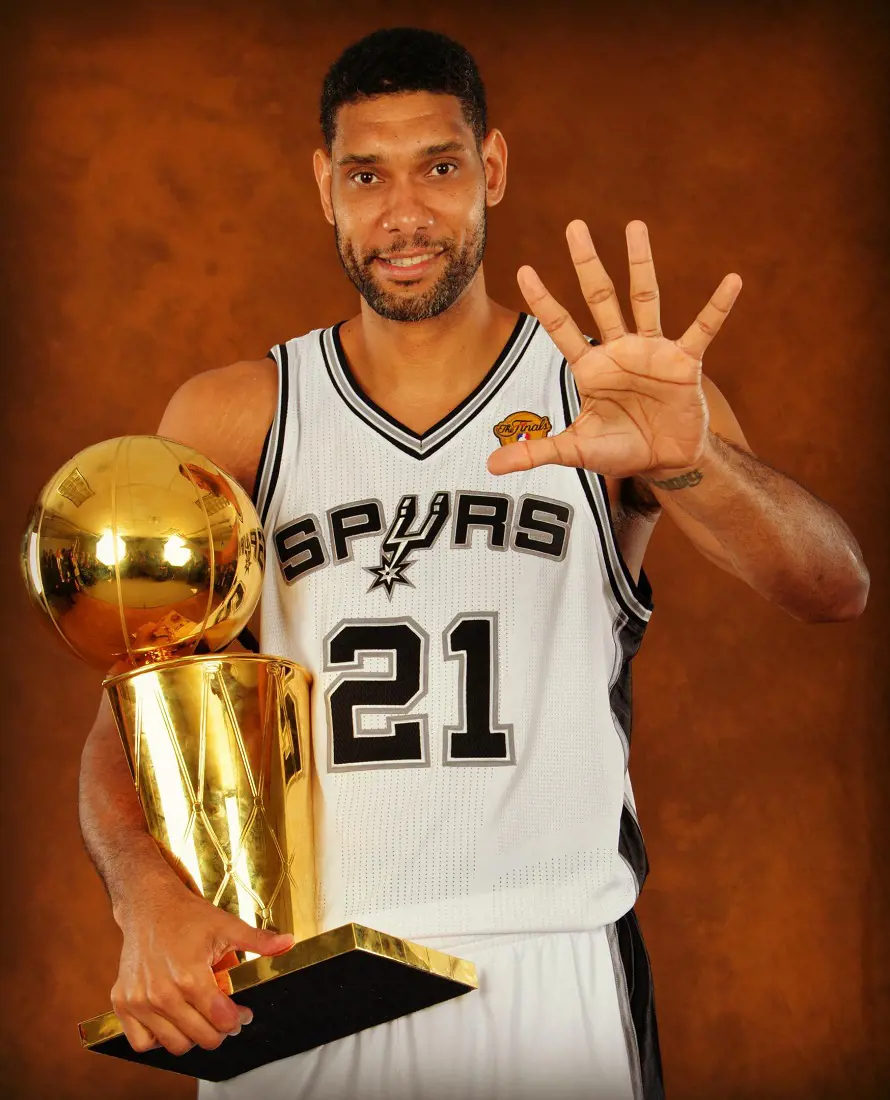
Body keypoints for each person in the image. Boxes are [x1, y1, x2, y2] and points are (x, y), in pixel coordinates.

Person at [78, 26, 870, 1100]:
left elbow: (830, 586)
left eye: (438, 167)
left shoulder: (611, 393)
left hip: (547, 952)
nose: (403, 213)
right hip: (303, 971)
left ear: (490, 167)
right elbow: (135, 704)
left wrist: (691, 463)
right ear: (324, 186)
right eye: (366, 174)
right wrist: (143, 891)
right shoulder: (235, 416)